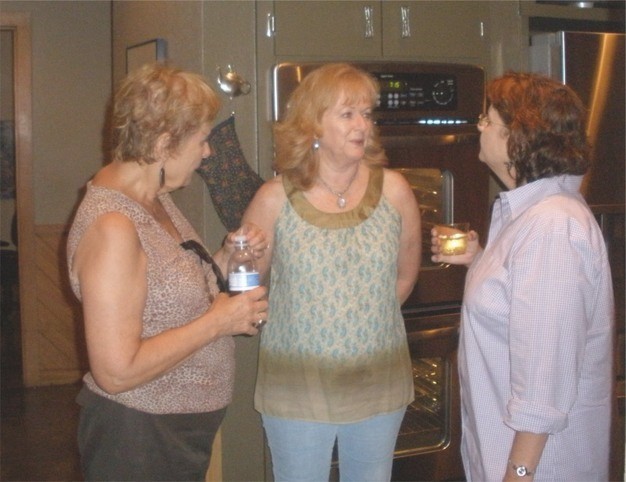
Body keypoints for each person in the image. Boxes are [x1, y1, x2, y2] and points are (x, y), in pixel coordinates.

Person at [66, 63, 269, 481]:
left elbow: (166, 289)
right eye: (202, 139)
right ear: (163, 144)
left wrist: (226, 256)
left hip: (173, 430)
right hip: (137, 436)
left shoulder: (153, 197)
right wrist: (218, 323)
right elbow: (116, 372)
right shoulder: (114, 227)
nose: (208, 152)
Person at [242, 63, 421, 481]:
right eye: (347, 114)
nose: (362, 125)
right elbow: (247, 285)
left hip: (378, 383)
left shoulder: (394, 191)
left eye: (366, 114)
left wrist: (360, 324)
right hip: (297, 388)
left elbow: (405, 277)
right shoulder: (273, 198)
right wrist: (241, 260)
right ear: (313, 125)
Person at [431, 72, 614, 481]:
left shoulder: (552, 227)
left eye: (488, 119)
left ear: (518, 136)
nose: (480, 127)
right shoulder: (528, 214)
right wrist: (480, 260)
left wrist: (518, 472)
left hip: (541, 468)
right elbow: (522, 303)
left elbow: (544, 380)